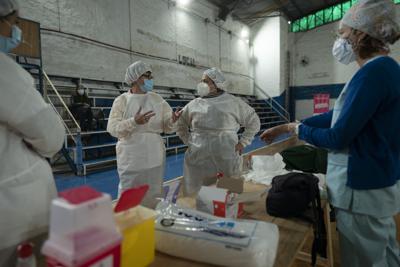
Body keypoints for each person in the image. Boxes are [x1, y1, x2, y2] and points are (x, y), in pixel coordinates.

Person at [261, 1, 400, 266]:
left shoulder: (374, 73)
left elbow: (338, 136)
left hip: (361, 189)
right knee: (385, 253)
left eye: (343, 33)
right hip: (375, 183)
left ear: (361, 33)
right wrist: (290, 125)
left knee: (364, 260)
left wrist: (301, 130)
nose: (341, 40)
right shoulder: (383, 70)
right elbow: (337, 116)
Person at [0, 0, 65, 265]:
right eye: (13, 25)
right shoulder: (5, 72)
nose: (16, 33)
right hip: (15, 215)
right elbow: (50, 135)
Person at [107, 61, 181, 208]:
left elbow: (167, 128)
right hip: (131, 156)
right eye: (146, 75)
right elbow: (113, 128)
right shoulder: (122, 100)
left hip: (155, 154)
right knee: (130, 190)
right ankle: (129, 223)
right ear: (134, 78)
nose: (150, 79)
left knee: (153, 190)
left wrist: (172, 120)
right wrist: (134, 122)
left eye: (150, 75)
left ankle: (151, 221)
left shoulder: (157, 99)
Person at [177, 67, 260, 196]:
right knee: (199, 193)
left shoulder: (233, 102)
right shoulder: (194, 104)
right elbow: (180, 123)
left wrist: (243, 143)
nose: (202, 84)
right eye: (201, 81)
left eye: (206, 81)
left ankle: (230, 209)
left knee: (229, 191)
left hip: (226, 154)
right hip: (199, 155)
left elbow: (253, 121)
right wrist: (188, 141)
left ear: (217, 83)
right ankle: (201, 210)